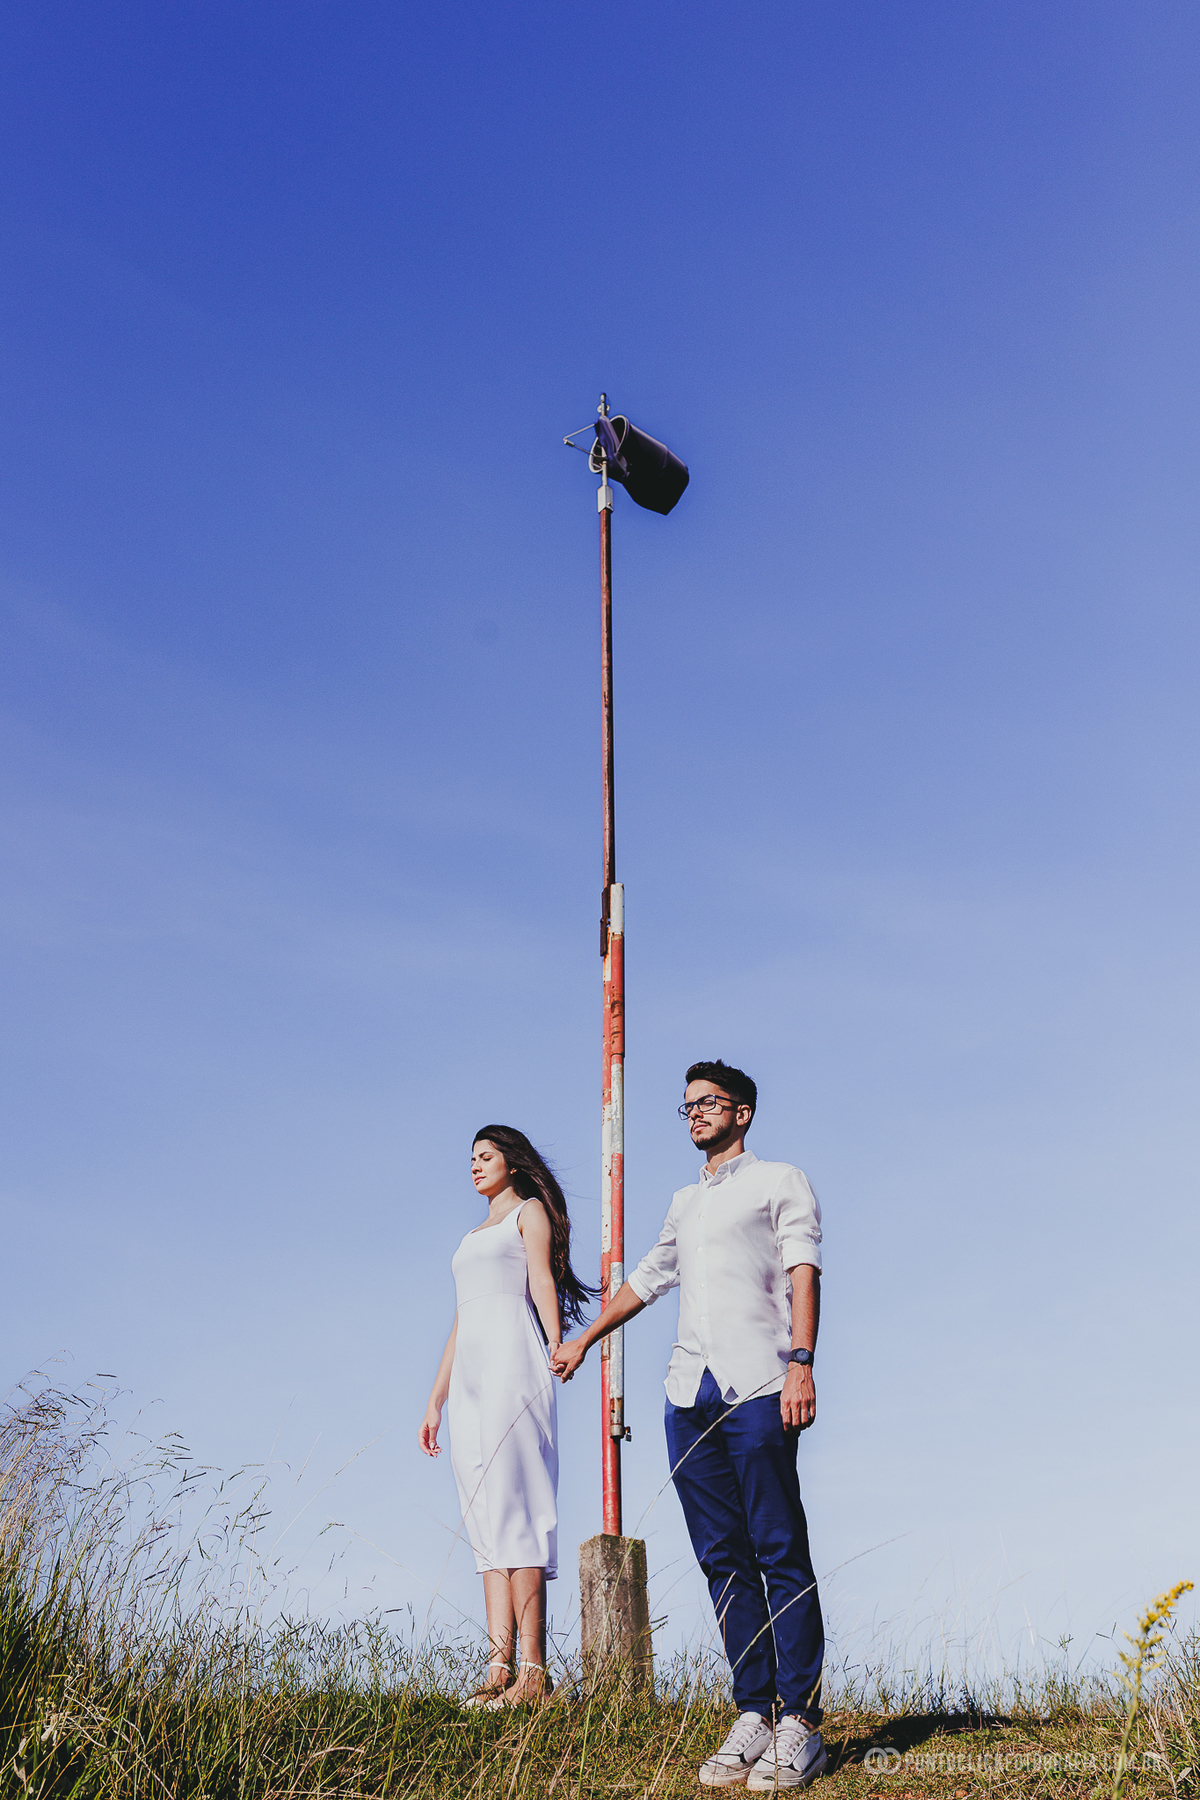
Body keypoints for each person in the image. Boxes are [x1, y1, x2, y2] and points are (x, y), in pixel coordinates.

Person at [554, 1061, 827, 1789]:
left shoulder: (780, 1181)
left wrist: (802, 1363)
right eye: (688, 1107)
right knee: (721, 1556)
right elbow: (648, 1277)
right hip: (689, 1396)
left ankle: (800, 1721)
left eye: (708, 1103)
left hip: (760, 1384)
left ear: (742, 1112)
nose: (696, 1113)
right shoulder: (684, 1202)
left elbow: (804, 1272)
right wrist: (585, 1339)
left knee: (779, 1547)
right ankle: (754, 1711)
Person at [420, 1125, 594, 1708]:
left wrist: (558, 1343)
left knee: (517, 1509)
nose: (475, 1165)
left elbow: (541, 1279)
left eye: (486, 1156)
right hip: (469, 1379)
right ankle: (498, 1667)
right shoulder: (471, 1235)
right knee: (484, 1517)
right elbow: (461, 1319)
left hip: (513, 1365)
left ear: (512, 1163)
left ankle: (533, 1672)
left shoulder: (528, 1213)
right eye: (471, 1158)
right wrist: (436, 1399)